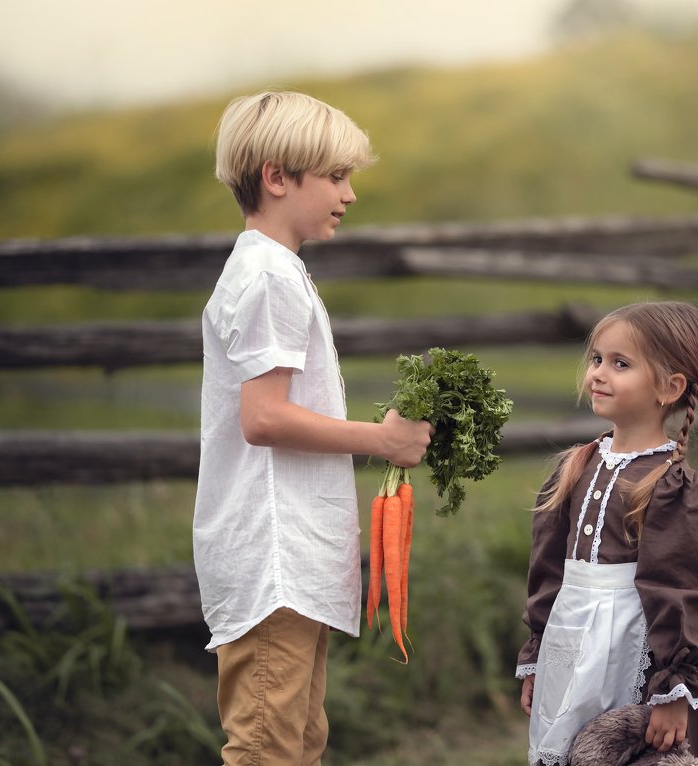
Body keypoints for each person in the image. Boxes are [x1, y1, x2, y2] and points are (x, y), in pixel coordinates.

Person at [193, 90, 432, 766]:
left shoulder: (278, 272)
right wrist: (381, 440)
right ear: (276, 177)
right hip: (275, 560)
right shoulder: (267, 276)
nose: (349, 194)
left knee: (299, 742)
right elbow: (263, 418)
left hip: (290, 559)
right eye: (335, 177)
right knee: (268, 748)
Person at [516, 301, 698, 766]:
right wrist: (538, 656)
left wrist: (674, 691)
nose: (599, 373)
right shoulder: (575, 466)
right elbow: (547, 572)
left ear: (669, 387)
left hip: (635, 651)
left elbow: (680, 590)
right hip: (570, 643)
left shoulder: (669, 485)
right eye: (597, 359)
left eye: (620, 364)